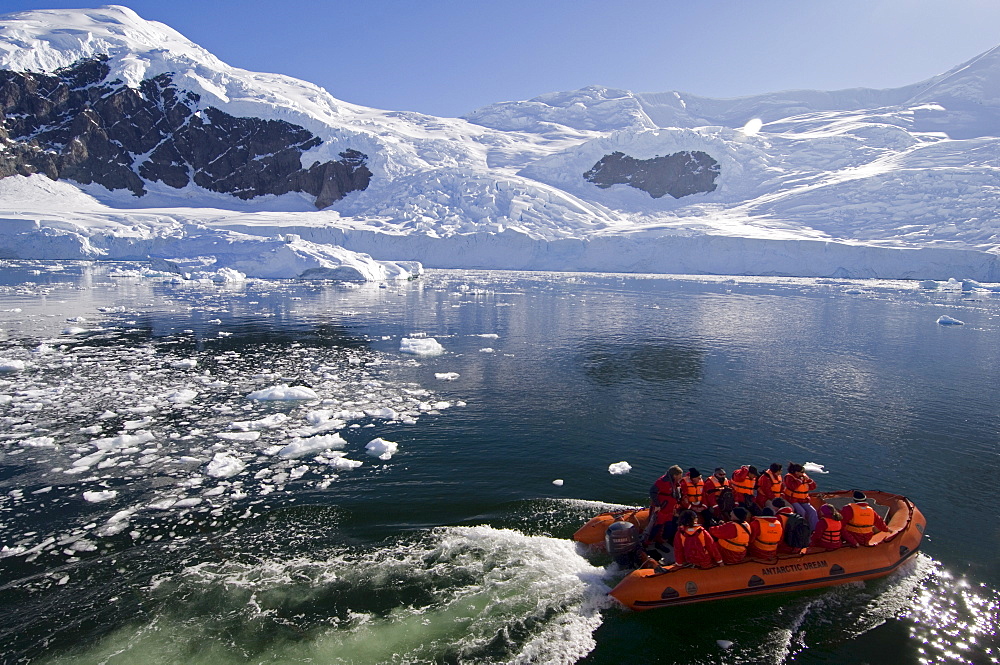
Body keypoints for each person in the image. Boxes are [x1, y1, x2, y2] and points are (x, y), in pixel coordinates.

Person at [646, 465, 684, 546]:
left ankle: (662, 539)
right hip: (662, 509)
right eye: (680, 476)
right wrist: (657, 504)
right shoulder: (662, 482)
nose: (681, 477)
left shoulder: (675, 482)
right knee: (656, 526)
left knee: (668, 526)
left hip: (670, 509)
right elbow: (652, 491)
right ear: (675, 475)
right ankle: (648, 541)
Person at [783, 462, 819, 530]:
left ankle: (814, 528)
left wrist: (808, 480)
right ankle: (801, 527)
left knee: (812, 511)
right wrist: (799, 480)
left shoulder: (804, 477)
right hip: (793, 499)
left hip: (803, 499)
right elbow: (792, 487)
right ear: (796, 472)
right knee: (801, 511)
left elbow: (813, 487)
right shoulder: (789, 477)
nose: (802, 473)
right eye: (801, 472)